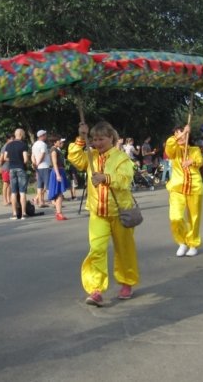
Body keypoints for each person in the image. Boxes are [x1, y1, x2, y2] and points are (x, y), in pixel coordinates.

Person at [68, 121, 139, 306]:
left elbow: (125, 180)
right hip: (97, 212)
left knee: (124, 250)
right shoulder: (90, 156)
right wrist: (80, 138)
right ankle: (96, 289)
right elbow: (74, 158)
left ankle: (126, 282)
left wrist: (106, 178)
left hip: (119, 212)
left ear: (111, 138)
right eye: (95, 139)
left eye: (102, 139)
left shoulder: (121, 157)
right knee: (97, 250)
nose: (98, 142)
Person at [164, 125, 203, 257]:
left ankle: (192, 243)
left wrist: (191, 161)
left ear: (188, 135)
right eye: (176, 133)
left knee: (194, 217)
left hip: (194, 187)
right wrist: (181, 135)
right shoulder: (173, 150)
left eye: (181, 132)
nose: (179, 135)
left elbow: (199, 161)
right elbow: (170, 144)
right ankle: (182, 241)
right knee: (175, 217)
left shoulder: (195, 149)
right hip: (177, 188)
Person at [4, 128, 30, 220]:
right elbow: (26, 159)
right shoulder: (23, 145)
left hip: (11, 169)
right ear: (21, 135)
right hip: (21, 168)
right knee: (22, 192)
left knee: (14, 192)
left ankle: (14, 214)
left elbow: (5, 157)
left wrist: (12, 160)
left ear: (15, 135)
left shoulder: (9, 145)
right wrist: (21, 162)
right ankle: (23, 213)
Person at [47, 136, 69, 220]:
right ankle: (59, 213)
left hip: (60, 171)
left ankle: (58, 212)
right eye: (58, 141)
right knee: (59, 193)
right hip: (57, 171)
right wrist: (58, 175)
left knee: (59, 193)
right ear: (54, 142)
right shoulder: (53, 151)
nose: (60, 142)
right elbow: (55, 163)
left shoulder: (56, 149)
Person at [31, 130, 51, 207]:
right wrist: (38, 163)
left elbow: (32, 156)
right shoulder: (43, 144)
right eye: (45, 135)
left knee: (40, 185)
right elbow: (43, 155)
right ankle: (53, 201)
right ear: (42, 136)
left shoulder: (34, 145)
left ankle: (41, 201)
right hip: (44, 166)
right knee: (47, 184)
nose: (46, 136)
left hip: (38, 167)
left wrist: (34, 163)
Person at [0, 134, 13, 206]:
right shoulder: (5, 147)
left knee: (10, 184)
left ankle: (9, 199)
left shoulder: (11, 146)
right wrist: (0, 167)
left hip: (11, 167)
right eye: (12, 139)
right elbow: (1, 158)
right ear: (8, 139)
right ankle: (4, 200)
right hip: (5, 168)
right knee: (6, 184)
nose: (13, 140)